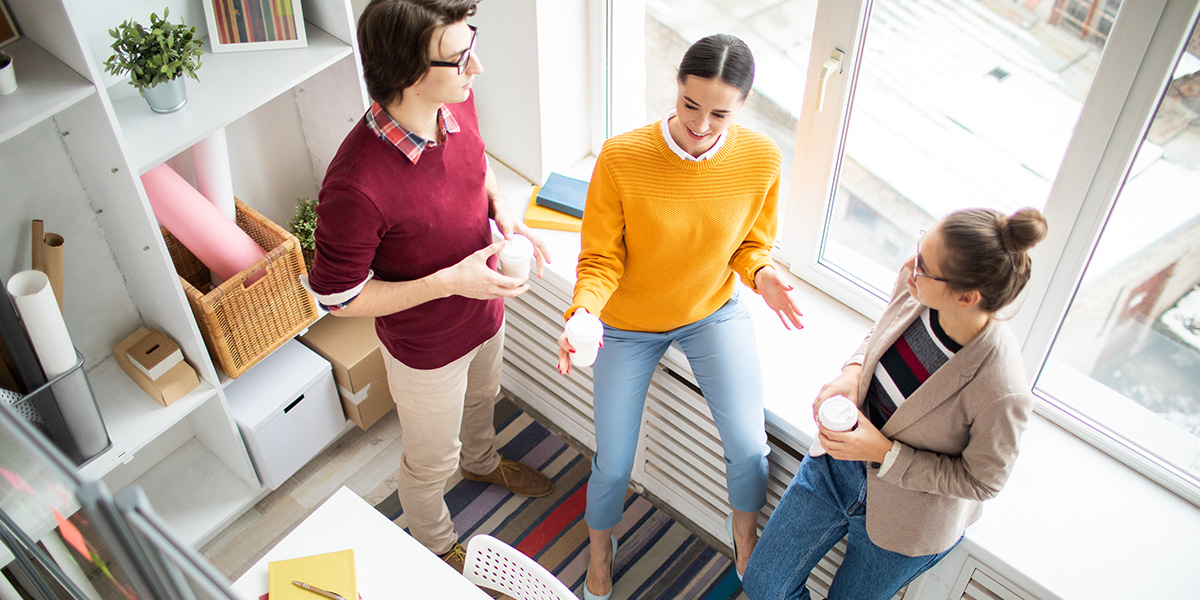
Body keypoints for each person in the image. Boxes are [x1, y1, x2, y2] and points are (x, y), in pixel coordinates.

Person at [303, 0, 554, 578]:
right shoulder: (355, 186)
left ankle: (483, 462)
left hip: (486, 316)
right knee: (428, 462)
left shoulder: (455, 106)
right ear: (408, 72)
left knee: (482, 402)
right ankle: (438, 546)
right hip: (425, 352)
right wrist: (449, 281)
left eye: (472, 43)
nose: (478, 67)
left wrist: (503, 209)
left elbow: (478, 167)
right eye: (461, 56)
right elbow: (338, 298)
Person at [556, 34, 805, 600]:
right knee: (614, 464)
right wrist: (584, 315)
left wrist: (764, 276)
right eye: (691, 105)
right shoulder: (622, 158)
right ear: (677, 87)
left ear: (742, 105)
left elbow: (750, 246)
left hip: (710, 312)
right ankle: (600, 544)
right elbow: (599, 258)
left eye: (719, 113)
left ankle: (742, 532)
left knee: (749, 447)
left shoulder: (761, 158)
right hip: (625, 322)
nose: (700, 124)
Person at [742, 208, 1049, 600]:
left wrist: (885, 453)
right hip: (835, 471)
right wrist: (852, 373)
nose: (908, 265)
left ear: (967, 296)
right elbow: (879, 333)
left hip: (909, 521)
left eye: (923, 263)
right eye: (918, 248)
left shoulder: (1002, 390)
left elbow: (982, 481)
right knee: (763, 584)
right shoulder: (915, 283)